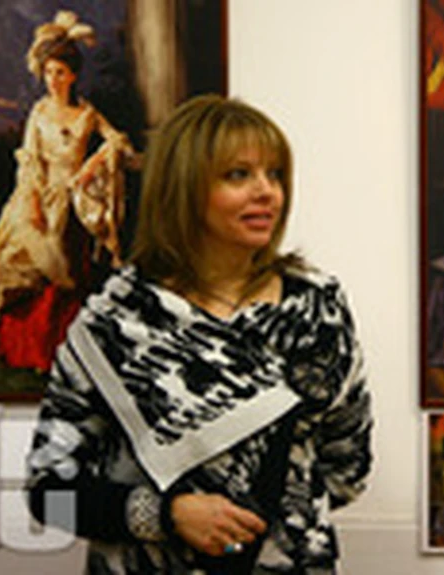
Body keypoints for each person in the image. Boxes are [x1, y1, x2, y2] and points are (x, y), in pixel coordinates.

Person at [25, 94, 373, 573]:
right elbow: (48, 493)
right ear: (183, 187)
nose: (267, 191)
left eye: (275, 174)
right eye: (238, 174)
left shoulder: (317, 310)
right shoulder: (113, 322)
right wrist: (165, 515)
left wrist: (281, 511)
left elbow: (348, 469)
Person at [0, 11, 136, 373]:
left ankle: (66, 351)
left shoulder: (86, 114)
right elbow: (29, 160)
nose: (53, 80)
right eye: (48, 72)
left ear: (73, 75)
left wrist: (92, 164)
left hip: (73, 202)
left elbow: (119, 141)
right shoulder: (39, 112)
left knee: (70, 271)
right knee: (37, 262)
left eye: (60, 73)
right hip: (39, 196)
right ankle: (33, 349)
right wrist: (33, 203)